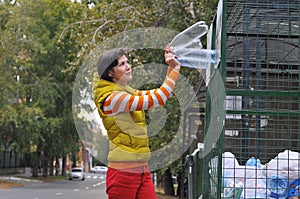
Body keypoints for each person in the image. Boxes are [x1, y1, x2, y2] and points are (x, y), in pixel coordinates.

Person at [93, 46, 180, 199]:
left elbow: (164, 93)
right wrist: (175, 69)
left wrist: (171, 68)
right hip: (123, 173)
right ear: (110, 73)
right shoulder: (113, 99)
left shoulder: (128, 92)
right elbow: (159, 98)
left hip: (141, 169)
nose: (128, 66)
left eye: (127, 62)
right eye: (121, 64)